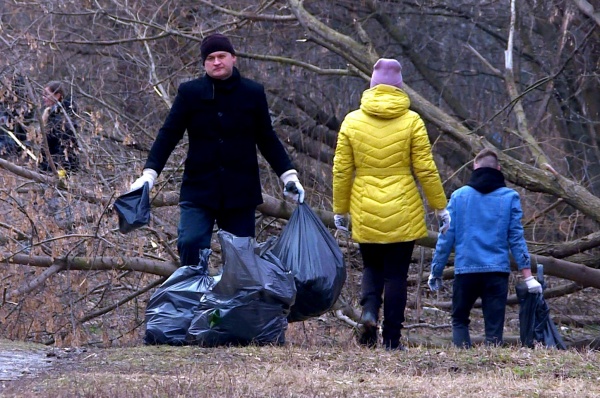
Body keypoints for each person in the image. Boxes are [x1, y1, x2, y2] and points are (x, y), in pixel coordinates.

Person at [130, 33, 304, 267]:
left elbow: (267, 138)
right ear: (204, 63)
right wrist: (149, 175)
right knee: (190, 242)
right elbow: (169, 134)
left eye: (221, 56)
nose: (216, 62)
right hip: (199, 189)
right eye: (210, 58)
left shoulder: (252, 93)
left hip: (240, 192)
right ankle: (194, 295)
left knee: (240, 260)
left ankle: (232, 301)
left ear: (234, 58)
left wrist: (288, 176)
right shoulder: (190, 93)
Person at [332, 58, 450, 351]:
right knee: (396, 274)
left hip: (365, 205)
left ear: (372, 85)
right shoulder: (411, 121)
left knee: (372, 266)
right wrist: (440, 207)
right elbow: (425, 168)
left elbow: (342, 169)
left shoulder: (352, 120)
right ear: (399, 87)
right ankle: (392, 341)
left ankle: (370, 312)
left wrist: (340, 209)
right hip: (403, 206)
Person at [428, 148, 542, 348]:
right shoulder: (510, 197)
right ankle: (492, 365)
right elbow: (516, 239)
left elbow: (446, 238)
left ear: (474, 167)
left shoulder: (459, 196)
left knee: (460, 319)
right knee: (494, 327)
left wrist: (436, 271)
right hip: (496, 272)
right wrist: (528, 276)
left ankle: (464, 362)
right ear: (498, 169)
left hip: (466, 270)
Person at [39, 80, 80, 173]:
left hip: (59, 169)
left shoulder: (64, 118)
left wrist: (62, 171)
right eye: (43, 94)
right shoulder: (50, 114)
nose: (43, 97)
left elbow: (65, 147)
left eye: (46, 94)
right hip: (48, 166)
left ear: (57, 96)